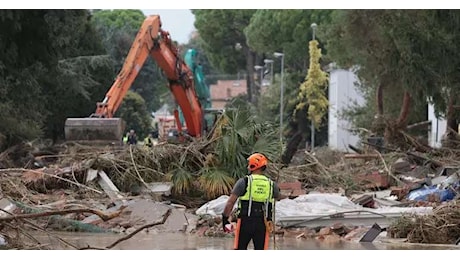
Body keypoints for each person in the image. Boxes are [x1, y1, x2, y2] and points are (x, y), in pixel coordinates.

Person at [222, 153, 281, 250]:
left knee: (240, 249)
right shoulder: (271, 184)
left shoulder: (244, 182)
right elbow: (277, 197)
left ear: (253, 166)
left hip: (245, 222)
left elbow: (230, 202)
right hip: (263, 223)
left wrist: (225, 218)